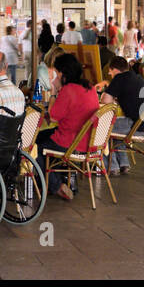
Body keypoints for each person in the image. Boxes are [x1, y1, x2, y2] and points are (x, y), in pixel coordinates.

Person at [33, 53, 97, 201]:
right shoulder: (89, 87)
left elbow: (54, 116)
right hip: (86, 138)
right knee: (39, 137)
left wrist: (54, 92)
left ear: (61, 73)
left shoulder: (68, 90)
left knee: (35, 148)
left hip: (71, 141)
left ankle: (56, 185)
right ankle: (47, 181)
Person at [100, 56, 144, 174]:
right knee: (115, 129)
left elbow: (105, 101)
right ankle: (123, 164)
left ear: (114, 69)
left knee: (102, 127)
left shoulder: (119, 78)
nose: (110, 74)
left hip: (135, 125)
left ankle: (112, 166)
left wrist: (108, 88)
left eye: (110, 72)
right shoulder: (138, 77)